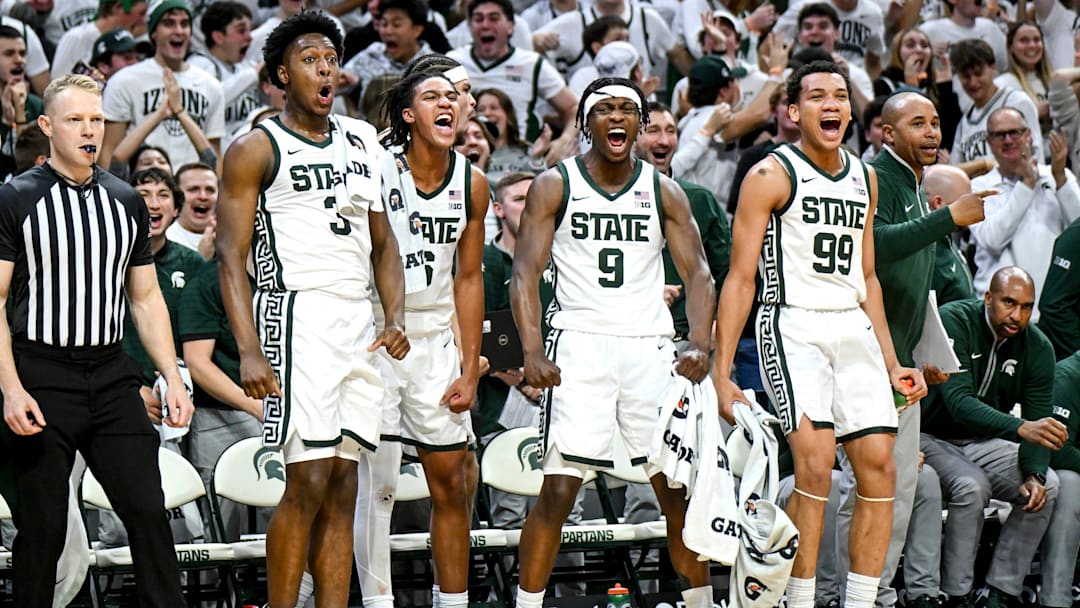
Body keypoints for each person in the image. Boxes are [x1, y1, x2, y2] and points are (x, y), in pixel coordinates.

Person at [712, 61, 927, 608]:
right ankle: (801, 600)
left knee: (880, 469)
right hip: (792, 322)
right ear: (793, 111)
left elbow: (868, 277)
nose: (831, 104)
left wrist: (891, 360)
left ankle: (860, 601)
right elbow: (740, 278)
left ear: (850, 111)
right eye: (816, 96)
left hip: (852, 324)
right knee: (814, 466)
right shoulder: (770, 173)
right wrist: (721, 372)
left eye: (839, 96)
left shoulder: (865, 177)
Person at [215, 12, 409, 607]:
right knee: (307, 481)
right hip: (296, 315)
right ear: (281, 75)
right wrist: (249, 349)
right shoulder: (255, 147)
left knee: (345, 484)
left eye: (330, 59)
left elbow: (384, 243)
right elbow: (229, 258)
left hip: (357, 322)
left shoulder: (363, 139)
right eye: (309, 60)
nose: (324, 69)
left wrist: (395, 317)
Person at [510, 77, 717, 608]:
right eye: (605, 109)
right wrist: (531, 351)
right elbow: (524, 274)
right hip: (580, 345)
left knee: (675, 491)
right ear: (586, 123)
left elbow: (699, 273)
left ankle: (699, 602)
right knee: (559, 491)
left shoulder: (663, 190)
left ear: (641, 124)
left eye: (628, 109)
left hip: (649, 346)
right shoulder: (554, 184)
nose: (617, 117)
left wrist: (699, 342)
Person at [0, 73, 193, 608]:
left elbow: (146, 298)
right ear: (47, 125)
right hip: (40, 374)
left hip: (111, 375)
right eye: (75, 120)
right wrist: (11, 389)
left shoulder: (126, 199)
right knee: (42, 529)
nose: (89, 130)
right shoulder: (16, 197)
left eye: (97, 119)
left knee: (149, 513)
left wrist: (172, 377)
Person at [833, 91, 989, 608]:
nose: (931, 132)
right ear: (887, 133)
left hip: (903, 367)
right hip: (863, 359)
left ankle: (875, 593)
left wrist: (927, 356)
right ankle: (841, 595)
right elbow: (874, 247)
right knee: (864, 487)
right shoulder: (873, 179)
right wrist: (949, 219)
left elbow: (914, 289)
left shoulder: (918, 188)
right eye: (917, 123)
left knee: (898, 491)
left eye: (936, 123)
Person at [363, 66, 489, 608]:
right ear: (408, 114)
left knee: (452, 483)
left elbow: (469, 278)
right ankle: (376, 602)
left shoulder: (472, 183)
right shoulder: (374, 167)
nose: (447, 103)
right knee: (378, 489)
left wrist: (470, 367)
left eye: (453, 96)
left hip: (434, 336)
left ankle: (452, 603)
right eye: (432, 96)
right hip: (374, 330)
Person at [921, 266, 1067, 608]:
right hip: (931, 435)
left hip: (982, 441)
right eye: (1009, 303)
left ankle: (999, 592)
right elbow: (958, 402)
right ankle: (957, 595)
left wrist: (1034, 474)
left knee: (1048, 486)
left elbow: (1038, 423)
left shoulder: (1038, 347)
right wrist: (1019, 427)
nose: (1017, 315)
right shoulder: (955, 320)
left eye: (1027, 307)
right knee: (972, 486)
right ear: (988, 297)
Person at [969, 107, 1080, 312]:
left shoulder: (1056, 176)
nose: (1008, 140)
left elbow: (1077, 229)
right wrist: (1027, 183)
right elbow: (992, 240)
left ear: (1029, 135)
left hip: (1053, 305)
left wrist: (1060, 179)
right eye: (1000, 135)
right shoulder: (979, 187)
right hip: (999, 309)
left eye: (1015, 132)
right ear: (989, 142)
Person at [101, 0, 225, 172]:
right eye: (169, 23)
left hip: (193, 184)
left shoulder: (210, 85)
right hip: (141, 182)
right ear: (153, 32)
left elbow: (215, 152)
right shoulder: (124, 81)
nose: (179, 31)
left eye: (184, 24)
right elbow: (109, 151)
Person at [448, 0, 578, 158]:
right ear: (469, 26)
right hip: (464, 155)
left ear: (510, 26)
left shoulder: (531, 63)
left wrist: (564, 141)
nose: (485, 25)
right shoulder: (453, 63)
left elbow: (573, 107)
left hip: (520, 159)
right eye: (478, 19)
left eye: (494, 18)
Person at [949, 40, 1042, 172]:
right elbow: (954, 170)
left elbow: (1035, 156)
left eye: (978, 74)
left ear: (993, 67)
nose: (973, 82)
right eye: (966, 76)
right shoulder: (964, 123)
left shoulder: (1016, 102)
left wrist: (983, 166)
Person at [189, 1, 261, 144]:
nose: (250, 37)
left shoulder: (245, 67)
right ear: (218, 37)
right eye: (241, 31)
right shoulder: (198, 65)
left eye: (250, 30)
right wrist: (252, 75)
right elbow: (209, 104)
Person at [1039, 353, 1080, 608]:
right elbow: (1058, 450)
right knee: (1068, 484)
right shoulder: (1067, 377)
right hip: (1064, 470)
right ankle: (1056, 599)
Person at [922, 164, 977, 306]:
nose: (973, 207)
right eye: (966, 201)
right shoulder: (928, 254)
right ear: (938, 203)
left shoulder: (947, 239)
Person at [51, 0, 148, 79]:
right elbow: (57, 85)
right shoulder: (76, 37)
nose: (144, 20)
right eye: (141, 13)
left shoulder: (131, 39)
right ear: (118, 7)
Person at [0, 25, 43, 182]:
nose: (19, 60)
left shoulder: (37, 106)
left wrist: (19, 113)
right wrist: (5, 123)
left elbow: (33, 161)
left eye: (22, 54)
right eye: (9, 54)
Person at [167, 162, 218, 258]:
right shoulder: (163, 241)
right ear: (176, 195)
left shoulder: (233, 239)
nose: (203, 196)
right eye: (193, 189)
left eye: (210, 190)